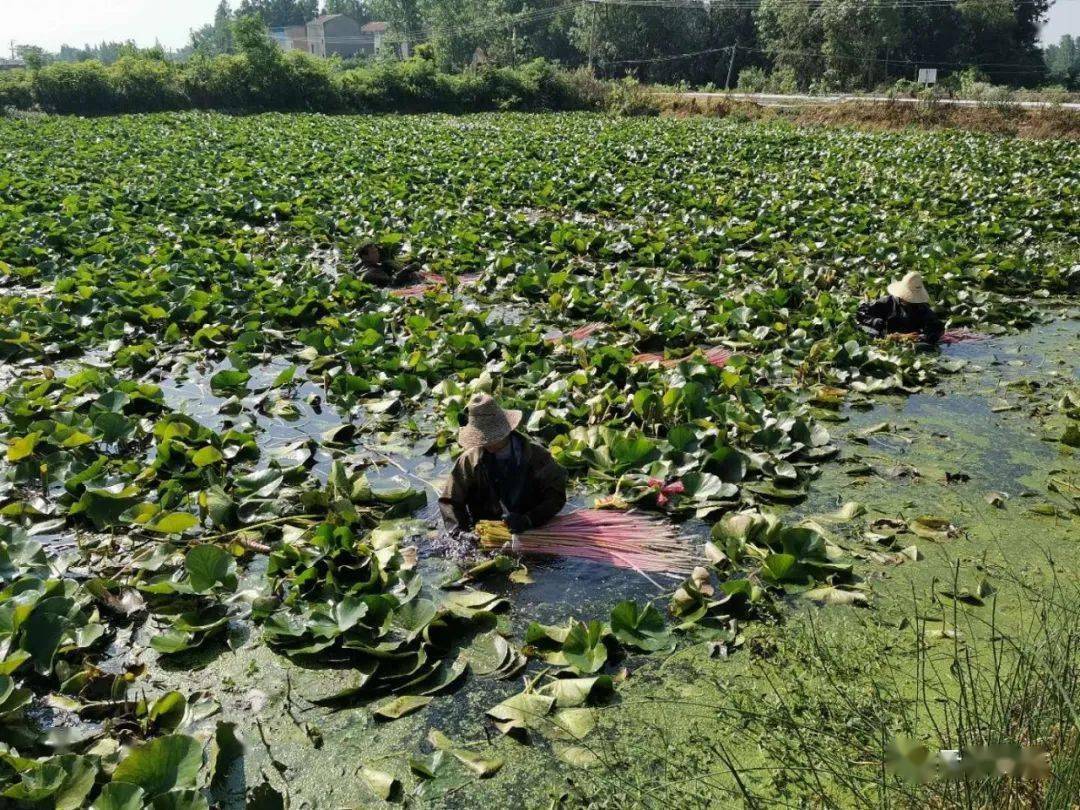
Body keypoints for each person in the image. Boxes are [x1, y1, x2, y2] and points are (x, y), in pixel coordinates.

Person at [439, 394, 567, 538]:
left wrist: (528, 519)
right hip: (486, 533)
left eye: (492, 438)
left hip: (531, 530)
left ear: (506, 430)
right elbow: (450, 501)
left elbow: (556, 496)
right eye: (483, 439)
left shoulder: (537, 456)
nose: (487, 443)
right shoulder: (469, 461)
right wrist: (461, 534)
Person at [857, 271, 944, 345]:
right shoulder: (887, 302)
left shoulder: (921, 307)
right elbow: (861, 313)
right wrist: (878, 323)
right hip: (886, 337)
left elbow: (936, 327)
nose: (911, 300)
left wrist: (920, 337)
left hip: (909, 341)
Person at [354, 242, 421, 288]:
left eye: (377, 251)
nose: (377, 254)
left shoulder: (378, 265)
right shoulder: (370, 272)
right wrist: (408, 269)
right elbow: (392, 282)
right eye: (373, 253)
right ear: (365, 257)